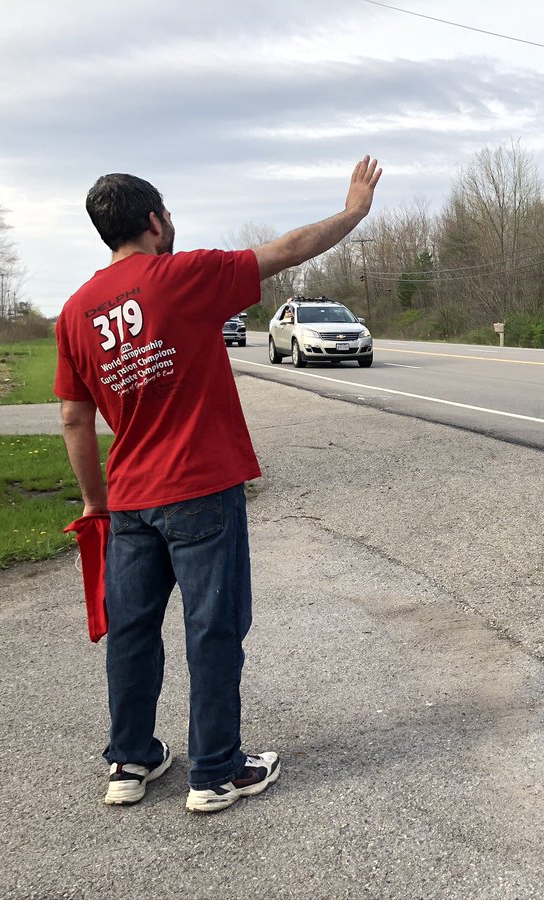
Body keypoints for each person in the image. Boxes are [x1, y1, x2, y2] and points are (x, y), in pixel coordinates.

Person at [55, 156, 383, 813]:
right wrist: (353, 212)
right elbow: (286, 250)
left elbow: (73, 416)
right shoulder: (186, 276)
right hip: (201, 489)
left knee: (132, 631)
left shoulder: (74, 312)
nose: (171, 221)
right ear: (154, 220)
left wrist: (96, 501)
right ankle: (214, 770)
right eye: (166, 212)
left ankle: (130, 761)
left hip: (131, 501)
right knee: (213, 627)